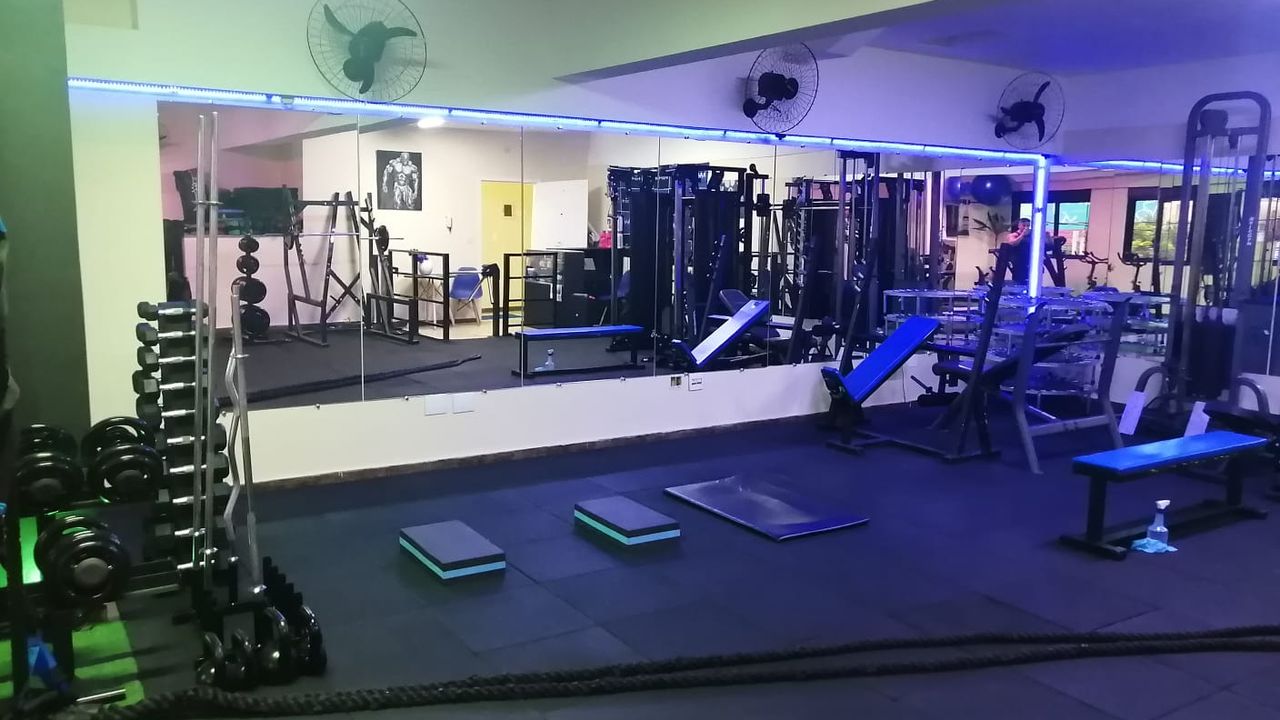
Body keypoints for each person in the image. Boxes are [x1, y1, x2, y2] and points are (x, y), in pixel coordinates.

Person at [1002, 217, 1035, 284]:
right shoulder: (1013, 235)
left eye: (1028, 226)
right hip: (1018, 260)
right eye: (1024, 225)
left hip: (1030, 260)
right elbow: (1013, 243)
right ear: (1019, 226)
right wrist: (1022, 235)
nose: (1026, 228)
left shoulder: (1033, 236)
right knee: (1019, 279)